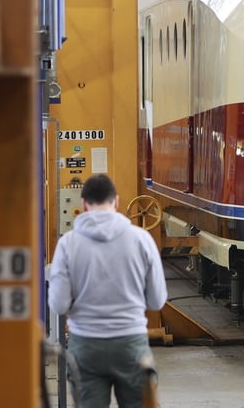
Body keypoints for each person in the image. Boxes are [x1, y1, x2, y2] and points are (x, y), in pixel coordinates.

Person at [49, 174, 167, 408]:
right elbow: (156, 300)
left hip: (86, 346)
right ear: (117, 202)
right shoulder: (141, 239)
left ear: (83, 205)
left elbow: (58, 305)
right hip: (130, 345)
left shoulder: (67, 244)